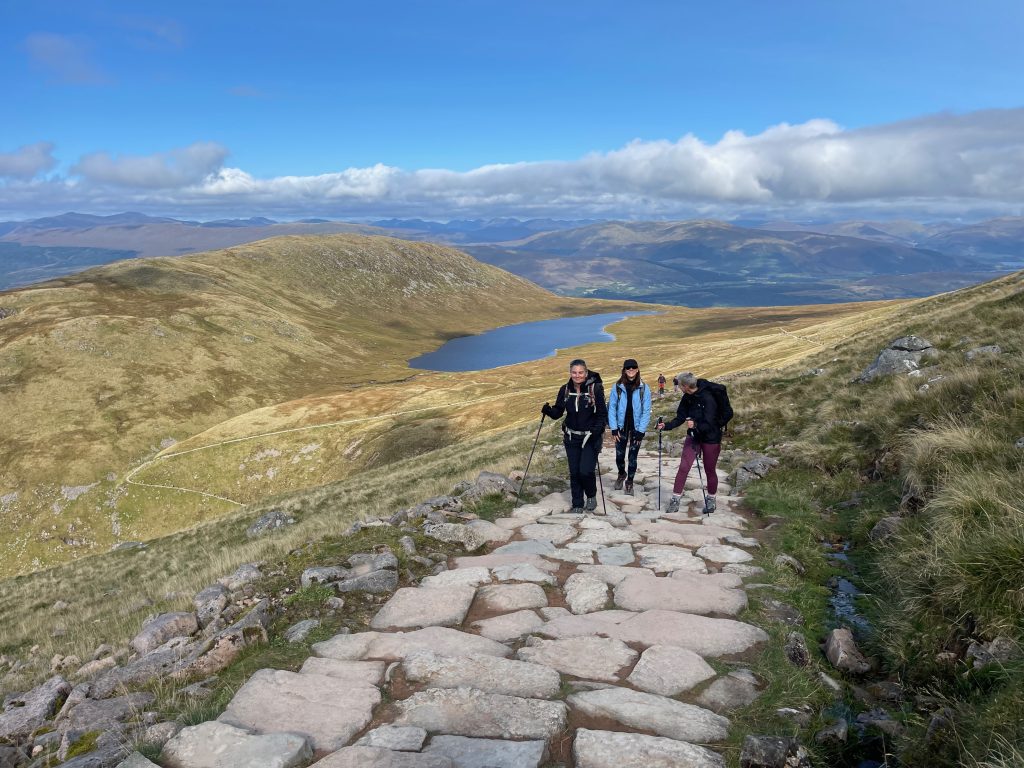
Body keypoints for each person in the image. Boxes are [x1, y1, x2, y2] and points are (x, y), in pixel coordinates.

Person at [542, 359, 607, 513]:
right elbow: (558, 412)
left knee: (586, 471)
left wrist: (595, 432)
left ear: (586, 372)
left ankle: (591, 495)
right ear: (570, 373)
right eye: (574, 372)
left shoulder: (595, 389)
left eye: (580, 372)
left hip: (591, 437)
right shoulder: (565, 390)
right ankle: (577, 503)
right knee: (575, 472)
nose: (577, 376)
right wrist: (548, 411)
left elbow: (602, 414)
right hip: (571, 437)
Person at [656, 371, 722, 514]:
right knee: (683, 467)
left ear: (685, 386)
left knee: (710, 470)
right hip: (693, 436)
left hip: (711, 437)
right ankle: (675, 499)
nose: (678, 387)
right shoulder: (687, 398)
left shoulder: (708, 397)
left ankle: (711, 499)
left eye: (679, 385)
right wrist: (666, 426)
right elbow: (680, 417)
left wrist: (696, 425)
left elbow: (711, 421)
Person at [607, 358, 652, 495]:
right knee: (619, 456)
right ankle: (621, 474)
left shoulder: (644, 388)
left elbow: (646, 410)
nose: (631, 370)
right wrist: (613, 428)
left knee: (633, 458)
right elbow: (612, 407)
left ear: (637, 370)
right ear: (624, 370)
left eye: (633, 368)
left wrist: (641, 431)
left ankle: (629, 482)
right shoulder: (617, 387)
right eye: (628, 368)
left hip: (636, 429)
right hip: (621, 428)